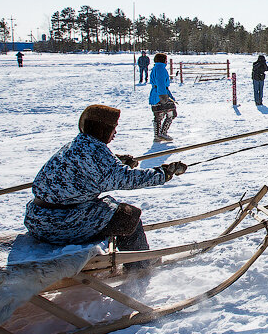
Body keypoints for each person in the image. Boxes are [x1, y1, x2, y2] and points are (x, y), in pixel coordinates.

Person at [23, 104, 188, 271]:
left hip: (39, 218)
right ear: (101, 128)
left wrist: (117, 161)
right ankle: (141, 266)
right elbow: (125, 179)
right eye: (113, 128)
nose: (115, 133)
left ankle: (133, 256)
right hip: (60, 224)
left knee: (111, 211)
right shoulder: (94, 152)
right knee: (127, 217)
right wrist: (164, 173)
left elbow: (91, 167)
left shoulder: (80, 143)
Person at [149, 53, 176, 142]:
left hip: (155, 94)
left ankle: (157, 135)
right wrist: (163, 96)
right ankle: (162, 133)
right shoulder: (161, 69)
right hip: (160, 94)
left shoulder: (155, 68)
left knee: (158, 115)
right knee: (170, 113)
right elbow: (160, 82)